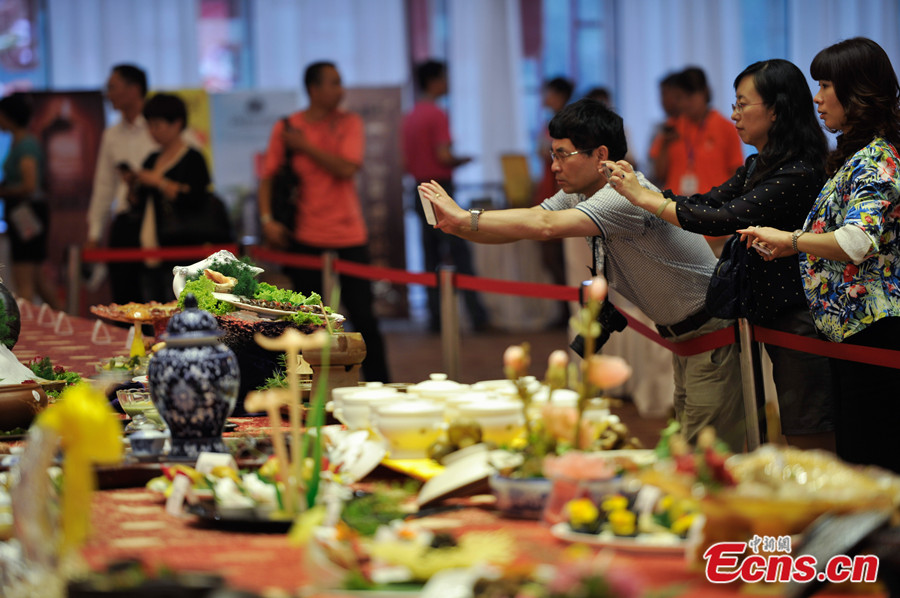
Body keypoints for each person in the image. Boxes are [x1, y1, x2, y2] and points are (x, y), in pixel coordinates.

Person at [421, 98, 746, 452]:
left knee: (707, 455)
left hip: (712, 334)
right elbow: (525, 226)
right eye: (552, 155)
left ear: (600, 155)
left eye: (563, 155)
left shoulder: (624, 195)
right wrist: (457, 226)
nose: (554, 166)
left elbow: (544, 225)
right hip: (686, 338)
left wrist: (466, 217)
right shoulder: (582, 194)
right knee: (693, 450)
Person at [605, 59, 836, 451]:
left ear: (776, 110)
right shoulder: (760, 164)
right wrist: (639, 186)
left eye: (743, 104)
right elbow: (706, 201)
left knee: (807, 430)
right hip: (770, 312)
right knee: (782, 422)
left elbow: (722, 219)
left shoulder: (798, 171)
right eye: (734, 104)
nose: (734, 115)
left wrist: (643, 197)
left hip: (802, 317)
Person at [738, 38, 900, 473]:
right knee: (859, 454)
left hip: (875, 330)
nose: (817, 97)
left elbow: (856, 241)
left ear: (857, 91)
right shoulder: (858, 155)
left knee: (873, 462)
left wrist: (791, 240)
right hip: (854, 330)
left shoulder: (876, 159)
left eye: (826, 85)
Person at [257, 61, 390, 383]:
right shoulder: (287, 127)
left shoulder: (349, 122)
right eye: (334, 83)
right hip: (305, 236)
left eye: (341, 82)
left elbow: (347, 167)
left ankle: (380, 384)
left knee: (364, 318)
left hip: (349, 235)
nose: (341, 90)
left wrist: (305, 146)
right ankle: (308, 388)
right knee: (307, 322)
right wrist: (267, 219)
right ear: (313, 89)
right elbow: (268, 177)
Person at [401, 59, 490, 333]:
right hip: (440, 189)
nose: (448, 83)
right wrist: (463, 160)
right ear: (434, 81)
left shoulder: (411, 116)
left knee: (430, 256)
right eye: (444, 77)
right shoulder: (437, 114)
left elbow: (405, 161)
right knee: (459, 252)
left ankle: (435, 319)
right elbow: (443, 156)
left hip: (419, 189)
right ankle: (478, 318)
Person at [85, 64, 158, 304]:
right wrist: (94, 232)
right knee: (123, 297)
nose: (108, 94)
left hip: (157, 221)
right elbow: (104, 186)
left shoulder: (160, 127)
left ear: (134, 89)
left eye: (112, 87)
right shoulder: (111, 135)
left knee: (158, 296)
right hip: (125, 221)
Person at [130, 93, 213, 301]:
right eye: (150, 125)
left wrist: (159, 182)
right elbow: (138, 203)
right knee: (154, 302)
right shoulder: (151, 159)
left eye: (157, 125)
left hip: (183, 245)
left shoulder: (193, 158)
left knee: (185, 303)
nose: (152, 131)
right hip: (150, 243)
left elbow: (196, 199)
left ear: (177, 124)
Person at [0, 93, 60, 310]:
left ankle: (24, 326)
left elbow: (29, 185)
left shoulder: (26, 145)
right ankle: (66, 319)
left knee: (24, 278)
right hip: (26, 214)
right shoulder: (21, 142)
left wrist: (4, 191)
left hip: (27, 215)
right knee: (36, 279)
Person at [649, 67, 744, 196]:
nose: (685, 103)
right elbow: (659, 174)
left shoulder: (726, 128)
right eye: (680, 98)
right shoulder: (671, 127)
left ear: (704, 93)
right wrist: (665, 145)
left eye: (690, 96)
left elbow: (736, 174)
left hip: (713, 203)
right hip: (675, 203)